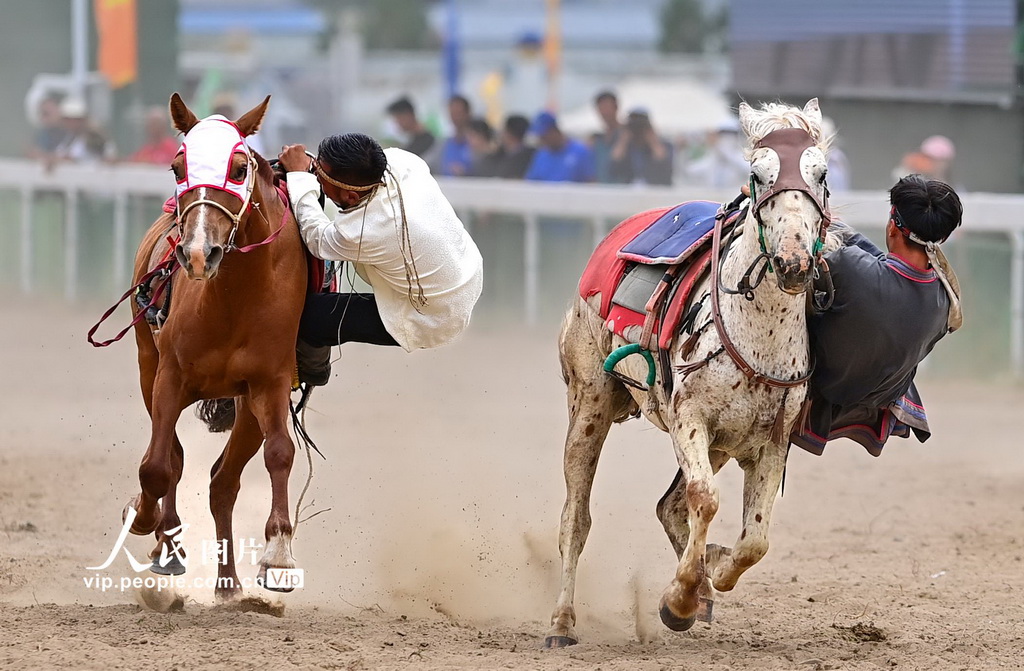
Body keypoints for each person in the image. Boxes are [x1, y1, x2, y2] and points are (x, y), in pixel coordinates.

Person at [277, 134, 484, 385]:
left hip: (435, 315)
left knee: (311, 316)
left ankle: (310, 375)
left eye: (321, 176)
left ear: (352, 197)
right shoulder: (403, 160)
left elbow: (317, 239)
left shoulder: (364, 230)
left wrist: (300, 176)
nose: (317, 175)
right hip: (466, 270)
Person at [791, 174, 963, 457]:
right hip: (878, 395)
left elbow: (856, 265)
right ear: (942, 237)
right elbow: (874, 264)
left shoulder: (849, 266)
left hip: (821, 388)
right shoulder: (945, 300)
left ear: (892, 227)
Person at [607, 108, 673, 186]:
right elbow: (614, 161)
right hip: (627, 187)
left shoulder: (663, 144)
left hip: (652, 188)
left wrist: (652, 140)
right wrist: (624, 139)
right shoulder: (622, 143)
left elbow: (663, 162)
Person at [524, 111, 596, 183]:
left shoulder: (580, 152)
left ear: (554, 131)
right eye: (540, 136)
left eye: (544, 135)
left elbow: (590, 180)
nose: (542, 139)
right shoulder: (541, 155)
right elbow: (531, 181)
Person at [52, 97, 116, 164]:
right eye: (67, 119)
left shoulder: (94, 137)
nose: (70, 123)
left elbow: (107, 157)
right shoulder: (68, 138)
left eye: (75, 119)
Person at [385, 95, 437, 161]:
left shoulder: (429, 142)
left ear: (408, 115)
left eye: (398, 118)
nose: (397, 123)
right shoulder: (412, 141)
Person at [590, 90, 623, 183]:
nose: (604, 112)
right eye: (601, 108)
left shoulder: (627, 135)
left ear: (616, 107)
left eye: (607, 107)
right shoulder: (598, 139)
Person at [439, 94, 474, 176]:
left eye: (459, 113)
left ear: (467, 113)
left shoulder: (477, 144)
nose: (455, 117)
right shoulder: (444, 144)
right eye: (452, 113)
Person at [491, 114, 535, 179]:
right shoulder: (498, 154)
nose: (501, 133)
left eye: (504, 129)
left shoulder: (530, 156)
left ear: (509, 133)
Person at [26, 95, 68, 161]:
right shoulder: (42, 135)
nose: (43, 118)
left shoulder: (70, 134)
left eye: (46, 114)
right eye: (42, 114)